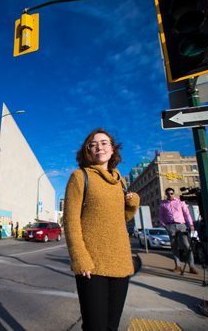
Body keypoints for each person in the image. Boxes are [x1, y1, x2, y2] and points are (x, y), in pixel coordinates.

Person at [64, 128, 140, 331]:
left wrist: (132, 206)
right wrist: (79, 258)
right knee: (94, 327)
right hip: (92, 264)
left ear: (113, 149)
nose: (99, 146)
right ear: (87, 151)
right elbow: (70, 221)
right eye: (93, 144)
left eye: (105, 142)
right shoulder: (80, 177)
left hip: (121, 263)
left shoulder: (119, 181)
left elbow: (118, 219)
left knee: (111, 326)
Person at [159, 187, 198, 274]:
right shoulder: (163, 204)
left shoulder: (180, 201)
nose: (170, 195)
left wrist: (191, 224)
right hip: (170, 226)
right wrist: (165, 226)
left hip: (181, 225)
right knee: (174, 247)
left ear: (174, 193)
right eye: (168, 193)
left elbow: (186, 213)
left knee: (187, 246)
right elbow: (161, 217)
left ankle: (192, 266)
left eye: (171, 193)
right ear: (166, 194)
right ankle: (178, 266)